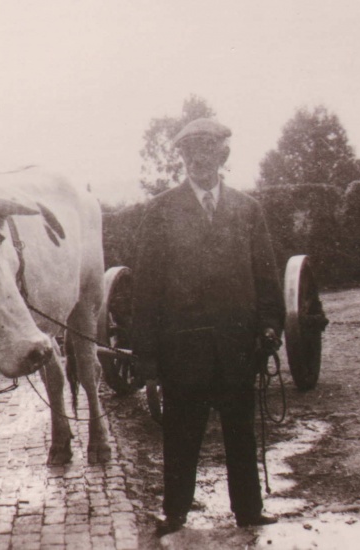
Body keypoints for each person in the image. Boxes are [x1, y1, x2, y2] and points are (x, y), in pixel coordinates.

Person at [130, 118, 285, 536]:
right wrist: (147, 358)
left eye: (207, 152)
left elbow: (266, 278)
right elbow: (145, 290)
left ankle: (249, 511)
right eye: (189, 154)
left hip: (238, 348)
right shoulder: (161, 211)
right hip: (182, 352)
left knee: (241, 431)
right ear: (182, 159)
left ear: (223, 155)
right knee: (181, 434)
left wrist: (270, 327)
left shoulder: (247, 210)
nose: (198, 161)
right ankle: (175, 513)